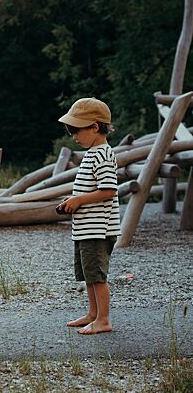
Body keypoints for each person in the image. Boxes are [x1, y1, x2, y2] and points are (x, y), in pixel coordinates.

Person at [57, 97, 121, 335]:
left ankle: (103, 319)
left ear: (95, 127)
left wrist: (79, 200)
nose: (74, 136)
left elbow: (108, 190)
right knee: (88, 274)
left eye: (77, 130)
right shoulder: (93, 153)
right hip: (86, 227)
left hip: (98, 229)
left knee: (97, 275)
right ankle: (93, 314)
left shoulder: (103, 155)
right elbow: (90, 188)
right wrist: (72, 200)